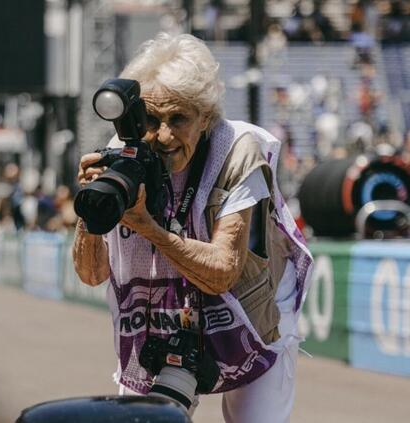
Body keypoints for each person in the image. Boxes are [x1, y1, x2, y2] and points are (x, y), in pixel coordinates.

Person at [72, 33, 313, 422]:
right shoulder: (123, 152)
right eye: (151, 119)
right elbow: (92, 273)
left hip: (250, 317)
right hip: (161, 317)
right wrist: (92, 207)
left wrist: (149, 228)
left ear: (206, 118)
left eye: (178, 118)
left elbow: (222, 272)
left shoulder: (238, 150)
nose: (163, 136)